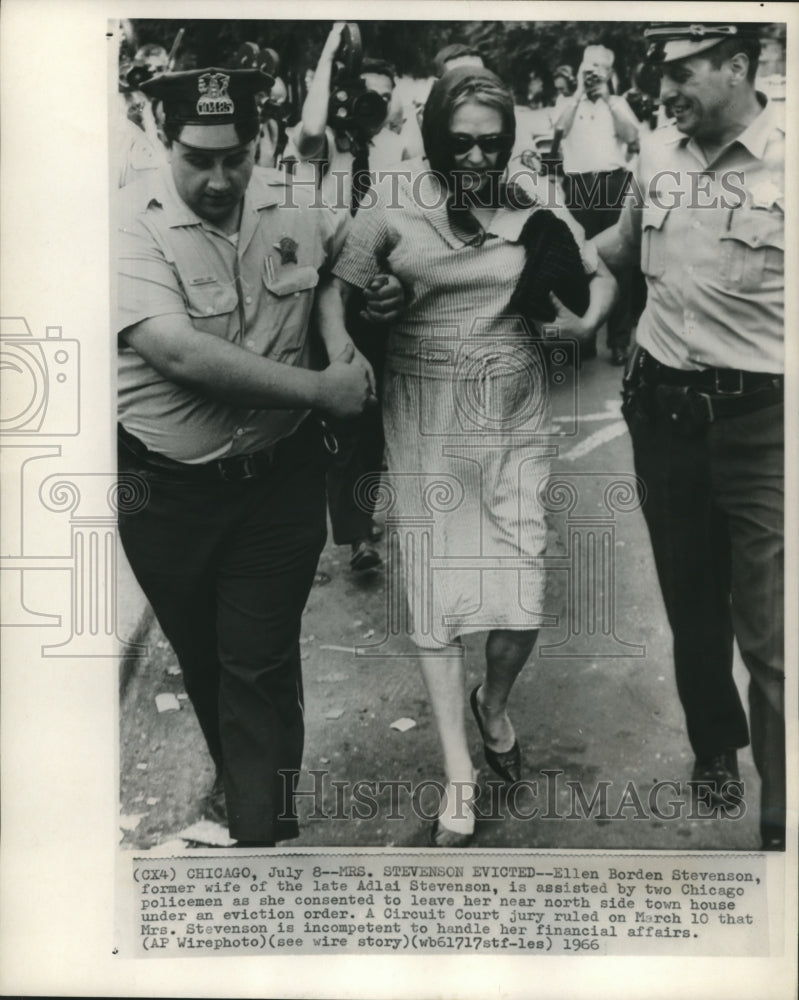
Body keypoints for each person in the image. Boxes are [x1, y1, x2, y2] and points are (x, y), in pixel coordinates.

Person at [321, 67, 617, 846]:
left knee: (520, 598)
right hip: (421, 412)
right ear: (434, 140)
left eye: (493, 142)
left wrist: (585, 328)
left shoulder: (529, 202)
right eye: (462, 143)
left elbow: (602, 275)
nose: (479, 158)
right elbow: (335, 289)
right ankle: (459, 775)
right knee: (434, 597)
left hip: (512, 414)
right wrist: (342, 354)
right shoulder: (392, 201)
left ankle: (494, 703)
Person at [114, 66, 400, 847]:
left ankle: (261, 838)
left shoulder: (295, 205)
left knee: (257, 662)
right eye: (197, 158)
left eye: (234, 156)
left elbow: (341, 272)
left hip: (277, 483)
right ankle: (242, 784)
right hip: (165, 491)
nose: (218, 178)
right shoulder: (126, 225)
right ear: (163, 140)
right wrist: (320, 387)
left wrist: (356, 315)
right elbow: (177, 352)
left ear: (260, 142)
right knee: (207, 661)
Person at [594, 23, 785, 850]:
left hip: (765, 428)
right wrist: (531, 247)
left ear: (738, 66)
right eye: (659, 72)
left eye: (683, 71)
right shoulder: (657, 157)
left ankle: (781, 814)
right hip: (661, 414)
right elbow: (616, 251)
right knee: (691, 601)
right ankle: (714, 745)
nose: (664, 89)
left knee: (774, 631)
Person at [289, 25, 407, 571]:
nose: (372, 105)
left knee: (370, 409)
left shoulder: (398, 152)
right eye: (363, 93)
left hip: (371, 292)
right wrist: (333, 52)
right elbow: (312, 124)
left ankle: (359, 524)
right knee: (329, 417)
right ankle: (332, 528)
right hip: (315, 295)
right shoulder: (321, 147)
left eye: (382, 96)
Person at [556, 43, 641, 365]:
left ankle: (619, 341)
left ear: (609, 72)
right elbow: (559, 130)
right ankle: (585, 336)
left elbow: (632, 137)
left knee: (620, 261)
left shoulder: (618, 103)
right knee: (580, 260)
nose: (591, 73)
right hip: (579, 185)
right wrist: (579, 92)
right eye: (587, 66)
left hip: (614, 183)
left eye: (598, 67)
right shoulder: (568, 101)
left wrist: (608, 98)